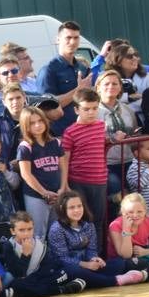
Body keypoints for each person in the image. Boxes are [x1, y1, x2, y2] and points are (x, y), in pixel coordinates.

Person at [47, 190, 147, 287]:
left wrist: (94, 259)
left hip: (88, 267)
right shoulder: (57, 229)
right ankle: (116, 280)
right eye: (72, 207)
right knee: (75, 271)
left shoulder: (88, 225)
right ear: (62, 208)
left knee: (119, 263)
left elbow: (91, 250)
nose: (77, 210)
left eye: (79, 206)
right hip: (66, 269)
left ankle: (93, 280)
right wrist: (85, 264)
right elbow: (61, 258)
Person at [0, 212, 86, 297]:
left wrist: (37, 277)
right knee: (17, 284)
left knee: (64, 272)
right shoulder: (8, 246)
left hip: (36, 278)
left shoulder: (40, 245)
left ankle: (18, 293)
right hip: (21, 280)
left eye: (29, 229)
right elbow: (18, 273)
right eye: (21, 230)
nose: (26, 233)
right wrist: (25, 254)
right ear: (13, 231)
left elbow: (46, 268)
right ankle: (62, 290)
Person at [59, 88, 109, 226]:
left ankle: (96, 248)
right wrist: (65, 184)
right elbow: (65, 160)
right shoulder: (70, 132)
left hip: (100, 180)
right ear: (76, 110)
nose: (91, 112)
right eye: (86, 109)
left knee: (98, 220)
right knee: (80, 219)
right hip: (78, 182)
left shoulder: (102, 126)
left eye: (95, 108)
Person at [16, 106, 64, 234]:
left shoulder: (56, 143)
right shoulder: (25, 146)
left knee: (56, 233)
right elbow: (26, 174)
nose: (38, 125)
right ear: (25, 125)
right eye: (32, 123)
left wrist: (63, 188)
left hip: (56, 194)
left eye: (40, 121)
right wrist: (44, 193)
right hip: (36, 196)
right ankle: (39, 255)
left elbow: (63, 168)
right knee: (38, 234)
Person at [96, 68, 141, 206]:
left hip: (129, 160)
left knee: (137, 195)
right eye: (106, 83)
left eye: (115, 83)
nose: (111, 86)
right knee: (118, 196)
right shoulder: (93, 111)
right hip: (106, 163)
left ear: (120, 87)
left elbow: (135, 132)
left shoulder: (128, 110)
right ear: (98, 87)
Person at [40, 20, 92, 134]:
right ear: (57, 40)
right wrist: (78, 90)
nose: (72, 42)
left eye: (76, 38)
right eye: (68, 37)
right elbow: (46, 107)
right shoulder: (48, 70)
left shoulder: (83, 68)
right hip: (60, 134)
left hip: (85, 132)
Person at [108, 191, 149, 276]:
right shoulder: (115, 225)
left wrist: (145, 252)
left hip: (144, 254)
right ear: (123, 212)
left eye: (139, 211)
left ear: (145, 211)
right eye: (130, 212)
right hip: (124, 260)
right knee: (137, 264)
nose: (135, 215)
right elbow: (125, 255)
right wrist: (126, 229)